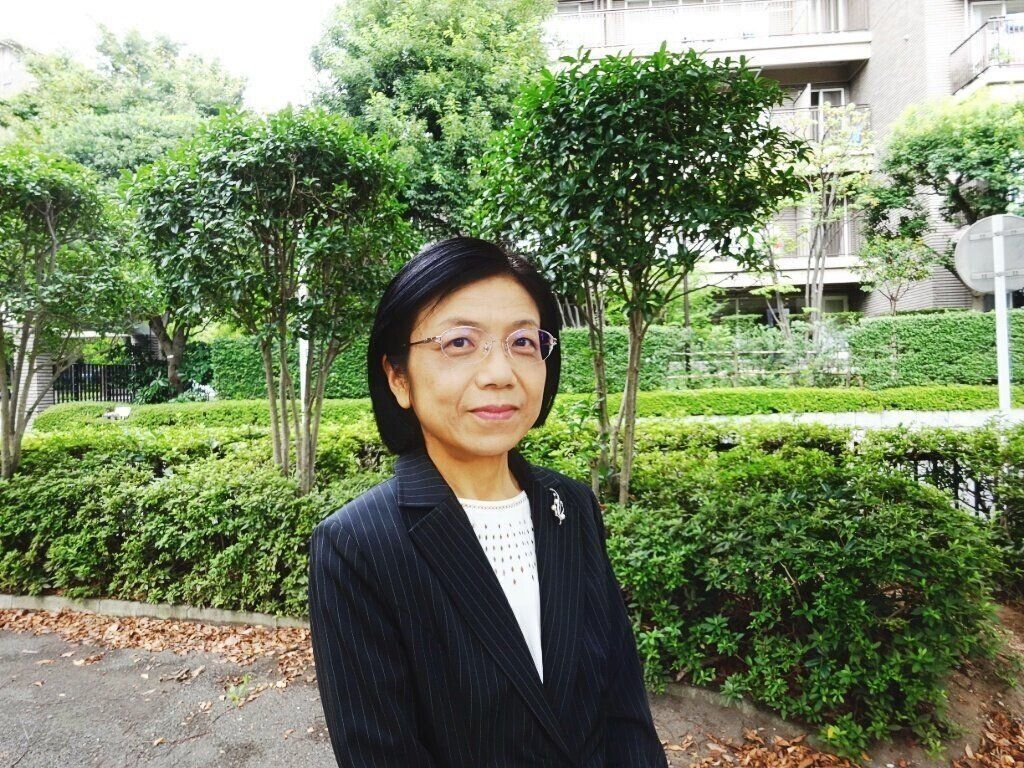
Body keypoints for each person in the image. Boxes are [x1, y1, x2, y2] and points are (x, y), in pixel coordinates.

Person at [307, 236, 668, 767]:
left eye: (522, 342)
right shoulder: (357, 546)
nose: (500, 373)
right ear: (398, 377)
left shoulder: (570, 506)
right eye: (459, 342)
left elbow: (623, 704)